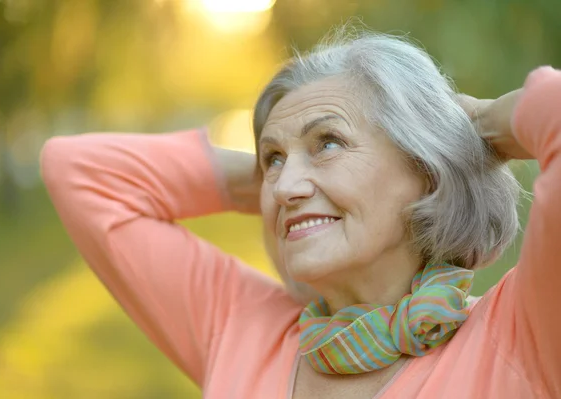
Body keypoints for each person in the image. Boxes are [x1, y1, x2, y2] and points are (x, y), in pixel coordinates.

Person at [40, 30, 561, 398]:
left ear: (425, 167)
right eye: (273, 159)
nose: (285, 185)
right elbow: (77, 172)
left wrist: (480, 129)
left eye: (329, 142)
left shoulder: (524, 335)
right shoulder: (242, 329)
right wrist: (282, 184)